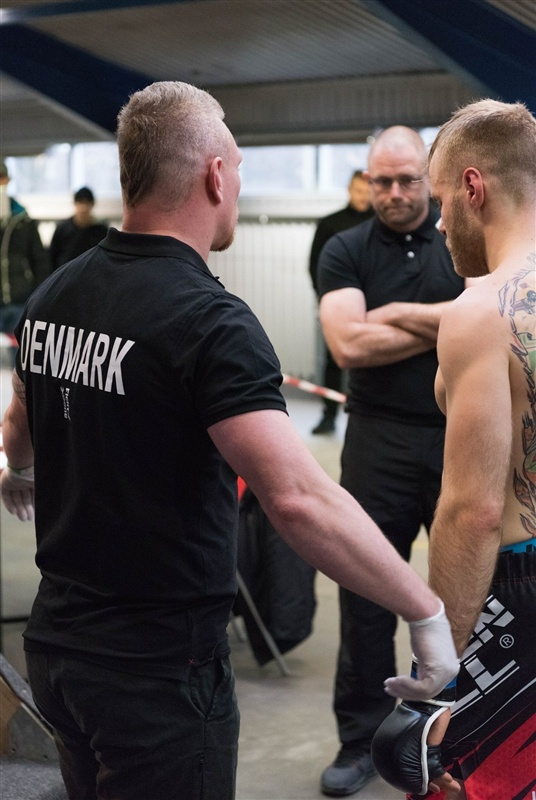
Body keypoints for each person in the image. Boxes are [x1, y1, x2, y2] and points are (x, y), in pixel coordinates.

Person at [0, 81, 459, 800]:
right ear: (216, 175)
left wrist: (20, 472)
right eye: (239, 168)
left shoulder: (55, 294)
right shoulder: (210, 321)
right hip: (158, 674)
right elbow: (298, 499)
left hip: (58, 650)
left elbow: (18, 427)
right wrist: (423, 610)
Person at [317, 125, 473, 796]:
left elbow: (491, 321)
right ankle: (361, 740)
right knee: (365, 594)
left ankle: (457, 739)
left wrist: (398, 313)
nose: (394, 193)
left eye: (408, 180)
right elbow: (348, 345)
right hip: (376, 439)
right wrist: (448, 321)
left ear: (430, 178)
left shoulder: (463, 243)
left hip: (458, 437)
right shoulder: (344, 248)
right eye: (380, 181)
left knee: (468, 593)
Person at [403, 98, 535, 800]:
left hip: (518, 601)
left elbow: (473, 513)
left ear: (473, 187)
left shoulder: (482, 313)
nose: (439, 223)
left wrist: (436, 679)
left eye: (440, 201)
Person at [309, 170, 373, 434]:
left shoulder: (381, 223)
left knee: (374, 361)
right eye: (358, 190)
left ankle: (370, 417)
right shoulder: (330, 224)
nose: (363, 196)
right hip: (338, 305)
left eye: (367, 191)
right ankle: (329, 416)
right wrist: (327, 301)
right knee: (333, 360)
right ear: (349, 190)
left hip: (375, 306)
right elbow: (315, 266)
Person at [0, 159, 50, 367]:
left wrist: (37, 297)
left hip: (20, 300)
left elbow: (40, 261)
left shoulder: (23, 220)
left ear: (8, 180)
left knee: (21, 364)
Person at [49, 186, 109, 270]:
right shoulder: (63, 229)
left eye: (87, 203)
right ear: (75, 204)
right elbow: (52, 257)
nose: (83, 208)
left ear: (92, 205)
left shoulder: (101, 230)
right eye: (80, 202)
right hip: (66, 273)